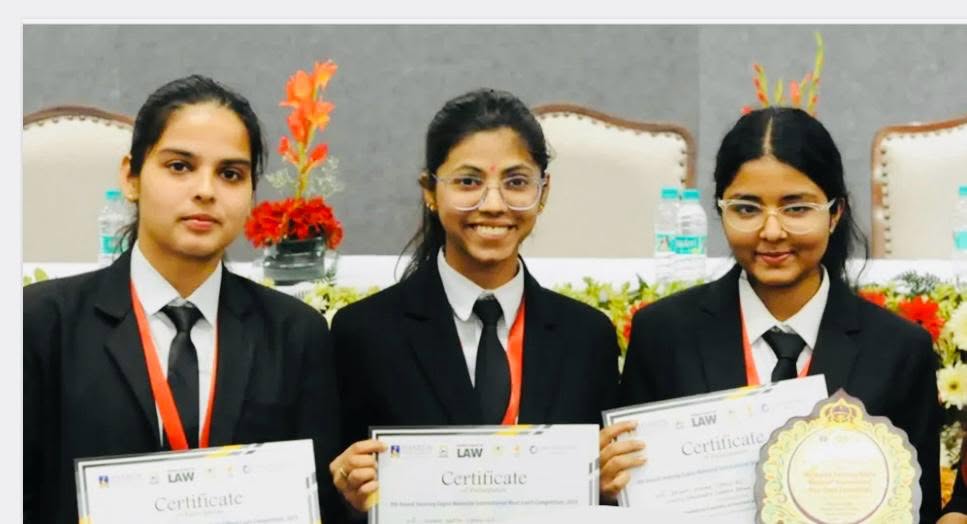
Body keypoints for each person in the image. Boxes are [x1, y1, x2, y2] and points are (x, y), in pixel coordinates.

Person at [23, 75, 343, 523]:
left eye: (230, 174)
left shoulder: (294, 332)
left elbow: (320, 500)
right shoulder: (39, 323)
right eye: (179, 166)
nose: (206, 191)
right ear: (131, 177)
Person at [600, 107, 942, 521]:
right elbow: (627, 497)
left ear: (836, 213)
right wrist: (608, 482)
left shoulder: (899, 350)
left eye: (796, 208)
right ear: (720, 210)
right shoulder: (665, 334)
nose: (772, 231)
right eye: (747, 208)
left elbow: (917, 509)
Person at [328, 88, 620, 517]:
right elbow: (339, 489)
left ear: (545, 191)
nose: (494, 204)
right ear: (430, 190)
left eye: (517, 182)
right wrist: (347, 492)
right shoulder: (366, 333)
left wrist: (612, 485)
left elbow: (599, 490)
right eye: (468, 182)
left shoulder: (587, 336)